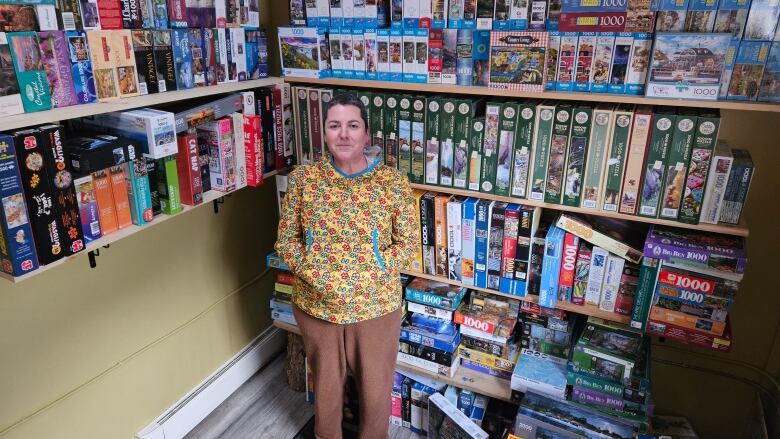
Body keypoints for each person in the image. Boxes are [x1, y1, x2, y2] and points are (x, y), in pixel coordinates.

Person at [275, 93, 419, 439]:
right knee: (326, 392)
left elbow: (409, 244)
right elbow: (286, 241)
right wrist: (314, 271)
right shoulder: (305, 179)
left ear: (366, 134)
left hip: (375, 308)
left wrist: (373, 267)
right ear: (324, 132)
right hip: (317, 306)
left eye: (352, 126)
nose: (343, 134)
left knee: (375, 392)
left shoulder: (392, 183)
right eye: (334, 125)